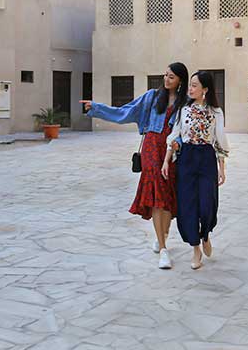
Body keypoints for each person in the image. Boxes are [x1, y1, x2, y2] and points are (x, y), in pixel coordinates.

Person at [81, 62, 188, 269]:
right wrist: (96, 108)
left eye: (171, 77)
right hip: (150, 149)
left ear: (180, 80)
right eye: (165, 75)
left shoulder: (185, 104)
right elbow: (125, 112)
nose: (166, 79)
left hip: (171, 152)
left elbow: (186, 131)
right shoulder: (152, 97)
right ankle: (164, 250)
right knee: (157, 196)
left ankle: (162, 235)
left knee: (167, 196)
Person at [162, 70, 229, 270]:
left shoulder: (216, 112)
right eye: (190, 85)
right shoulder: (183, 109)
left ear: (205, 89)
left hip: (207, 158)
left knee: (207, 203)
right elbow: (175, 135)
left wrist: (221, 168)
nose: (190, 89)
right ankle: (195, 248)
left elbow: (220, 139)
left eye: (194, 85)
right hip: (187, 159)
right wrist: (167, 160)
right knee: (188, 205)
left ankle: (206, 234)